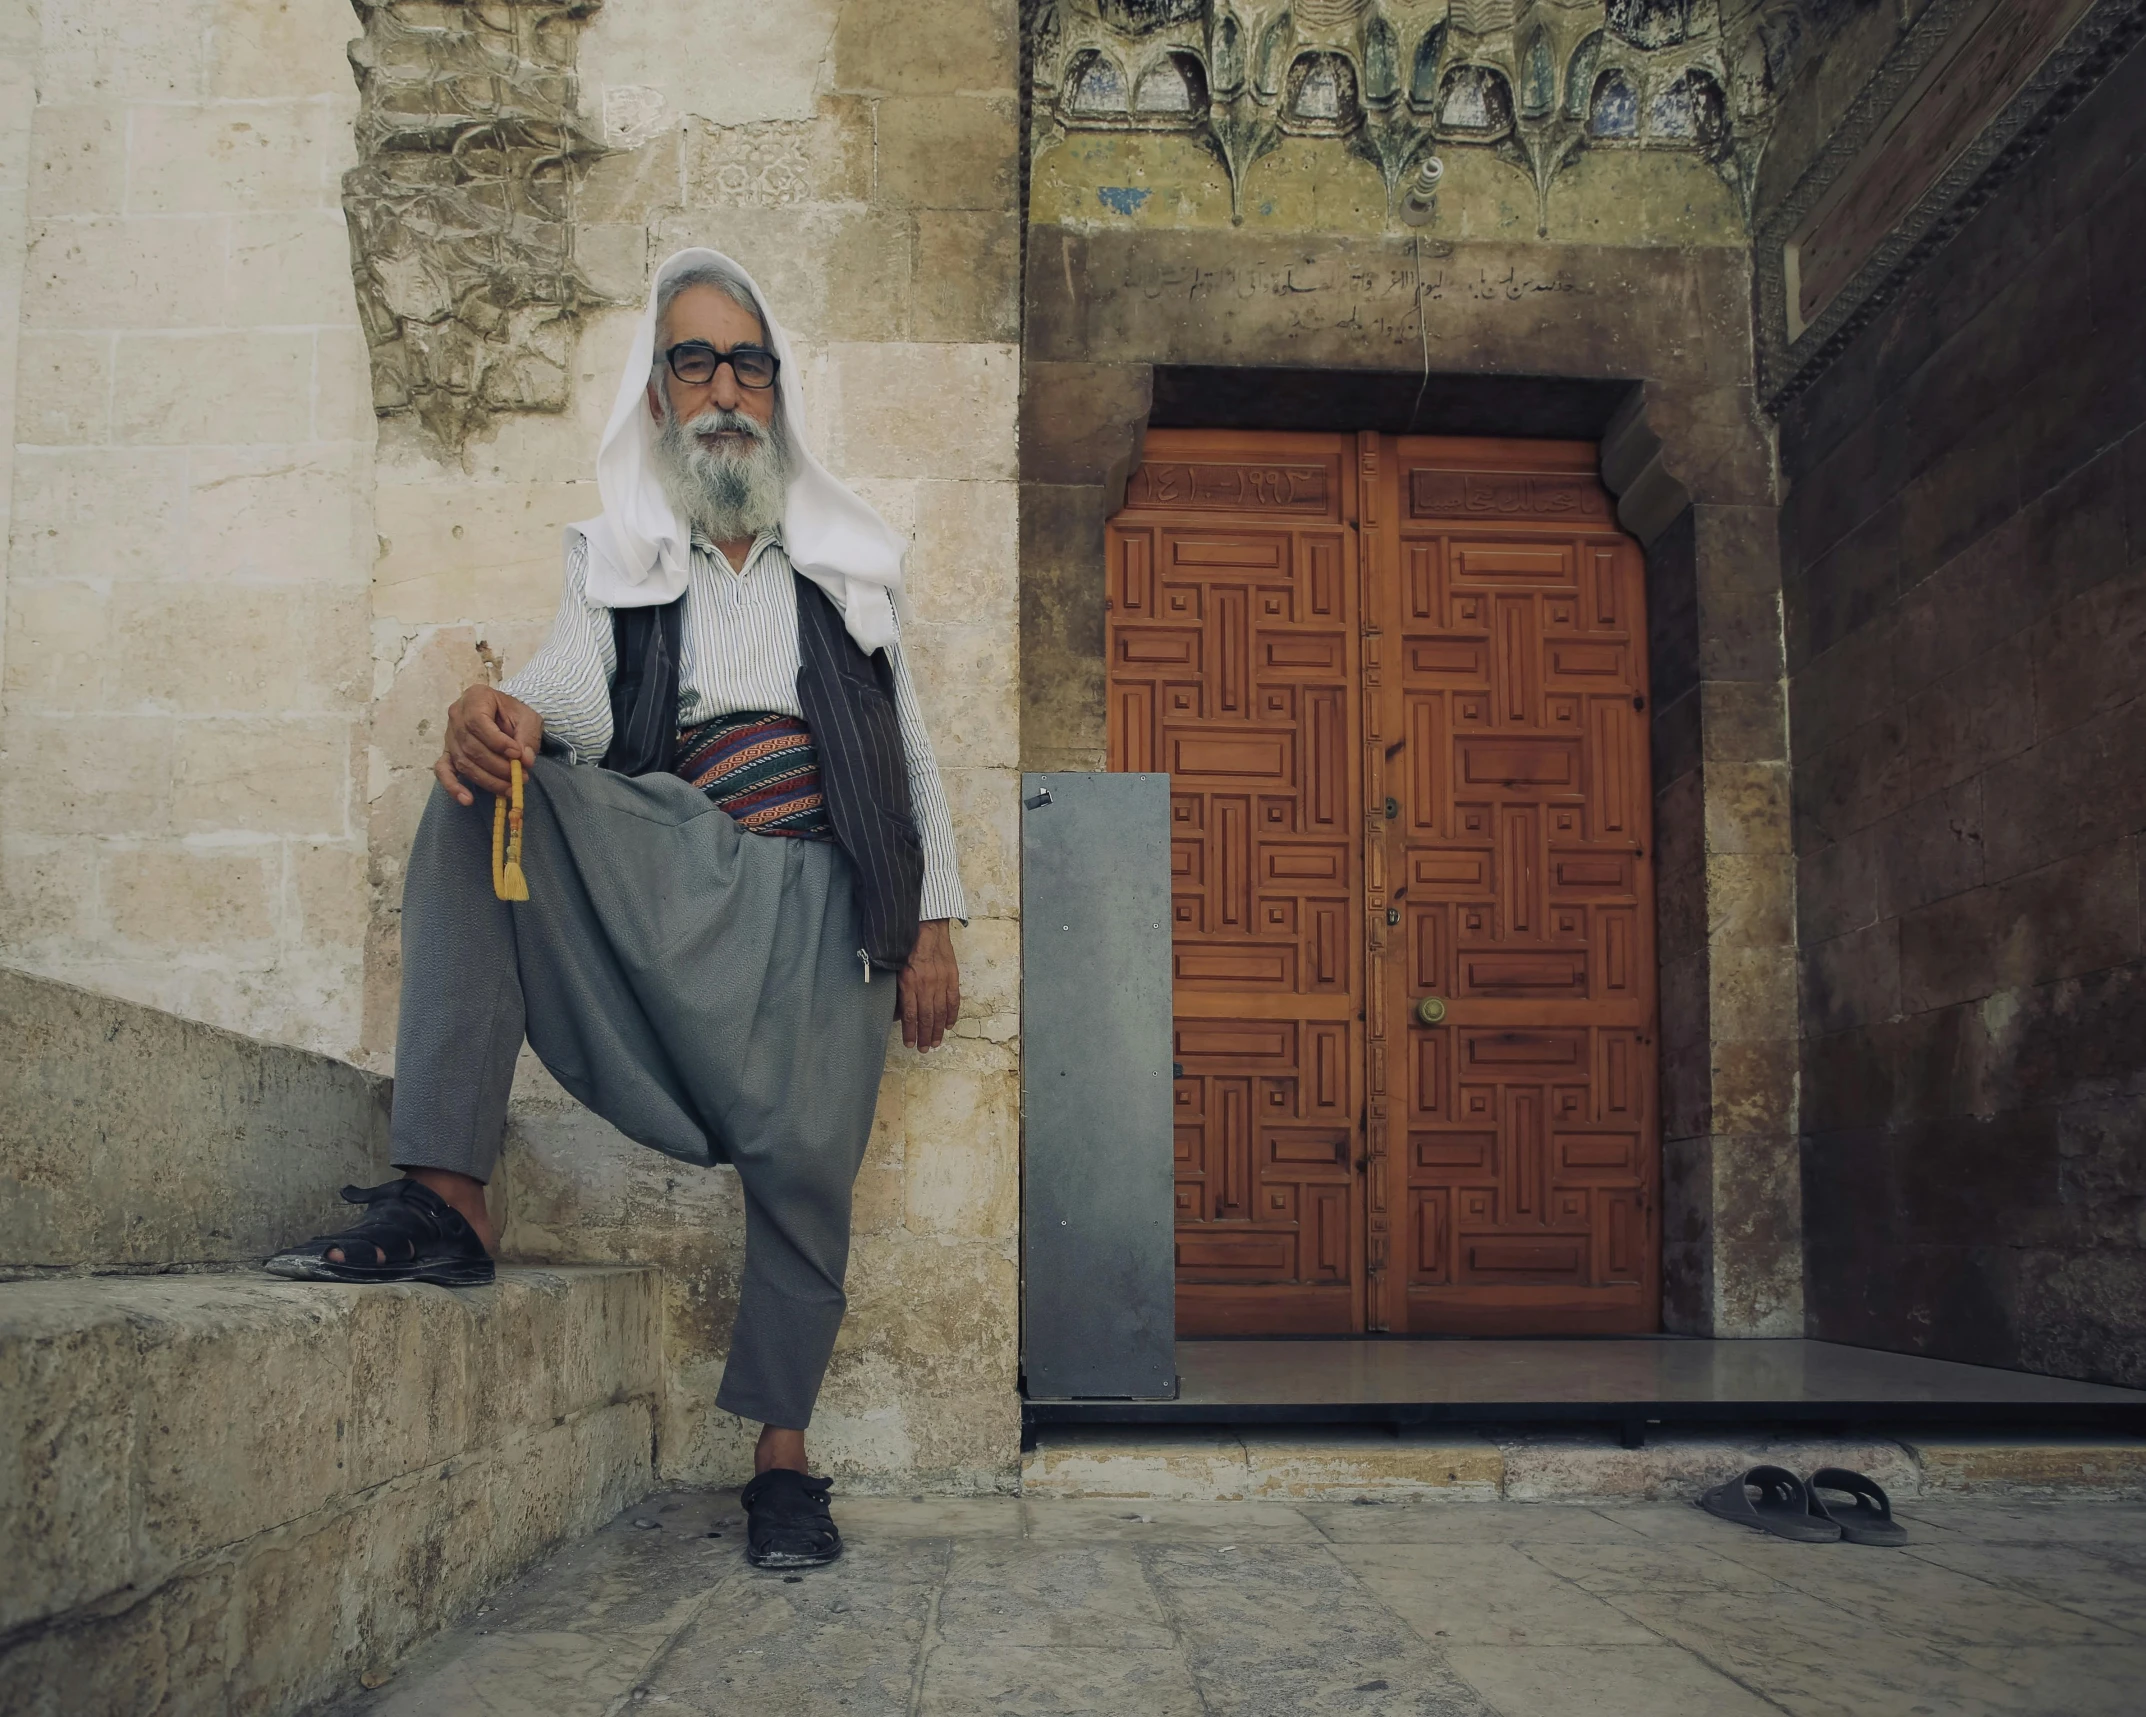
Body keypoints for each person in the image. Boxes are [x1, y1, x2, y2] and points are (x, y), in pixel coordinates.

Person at [265, 249, 966, 1570]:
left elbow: (911, 746)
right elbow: (568, 688)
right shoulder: (617, 556)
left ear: (776, 390)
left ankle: (781, 1464)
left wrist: (934, 922)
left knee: (806, 1174)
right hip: (683, 865)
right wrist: (506, 713)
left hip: (827, 897)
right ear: (656, 397)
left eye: (745, 361)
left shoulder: (851, 567)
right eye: (691, 360)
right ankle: (447, 1197)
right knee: (478, 794)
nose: (722, 387)